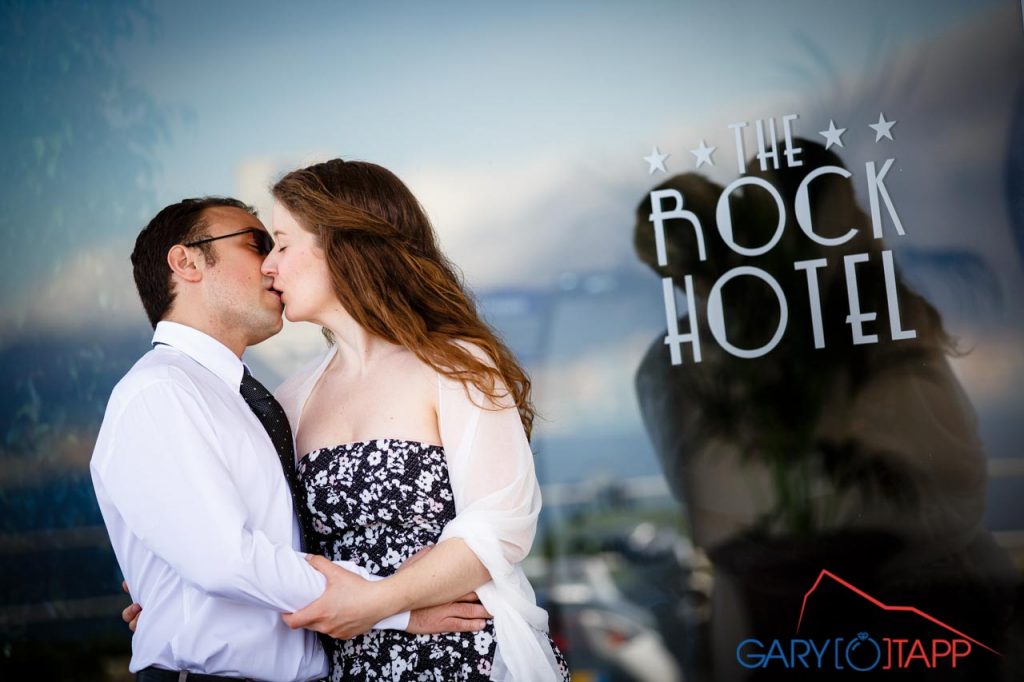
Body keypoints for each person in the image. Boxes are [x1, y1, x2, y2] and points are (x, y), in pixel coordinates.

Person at [92, 197, 489, 681]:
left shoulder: (247, 399)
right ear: (187, 262)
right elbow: (225, 560)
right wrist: (393, 605)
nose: (274, 263)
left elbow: (256, 550)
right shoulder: (160, 392)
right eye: (257, 243)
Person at [259, 159, 570, 681]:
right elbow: (262, 544)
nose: (269, 265)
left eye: (283, 244)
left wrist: (381, 602)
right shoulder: (291, 401)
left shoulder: (454, 365)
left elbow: (501, 528)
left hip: (465, 656)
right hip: (346, 667)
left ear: (341, 245)